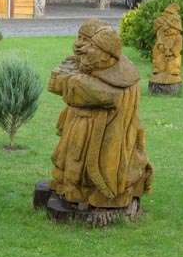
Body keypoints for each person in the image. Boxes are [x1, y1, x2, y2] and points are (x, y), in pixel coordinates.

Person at [49, 19, 153, 209]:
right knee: (71, 158)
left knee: (98, 165)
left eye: (87, 43)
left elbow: (102, 95)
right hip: (81, 125)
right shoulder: (94, 66)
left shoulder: (122, 77)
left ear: (106, 55)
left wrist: (68, 83)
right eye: (80, 39)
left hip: (107, 133)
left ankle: (106, 193)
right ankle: (71, 186)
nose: (81, 49)